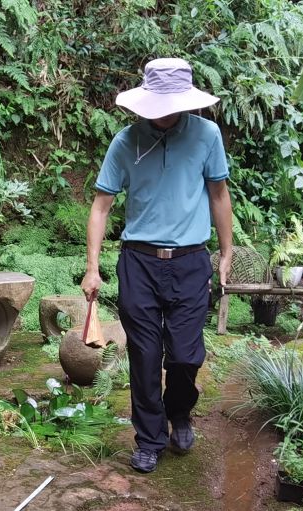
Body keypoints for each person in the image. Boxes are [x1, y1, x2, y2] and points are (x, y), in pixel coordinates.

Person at [80, 58, 234, 474]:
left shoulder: (206, 135)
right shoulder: (126, 141)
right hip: (139, 263)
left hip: (189, 261)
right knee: (145, 356)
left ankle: (179, 411)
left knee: (186, 356)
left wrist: (226, 252)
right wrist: (92, 267)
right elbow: (101, 207)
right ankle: (149, 438)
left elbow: (219, 195)